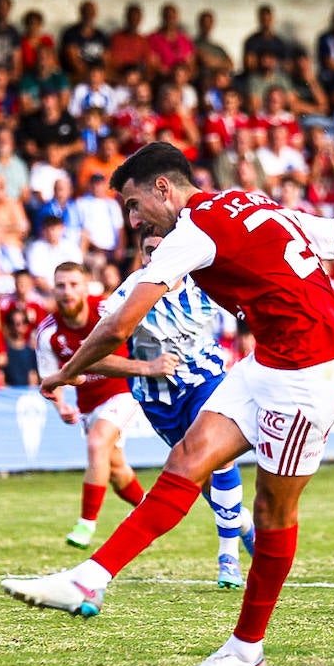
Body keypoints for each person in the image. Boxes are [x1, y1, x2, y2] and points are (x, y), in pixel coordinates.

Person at [2, 141, 334, 666]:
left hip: (310, 374)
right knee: (187, 460)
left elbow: (117, 328)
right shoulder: (246, 202)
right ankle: (89, 579)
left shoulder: (193, 231)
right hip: (271, 361)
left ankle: (245, 651)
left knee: (272, 514)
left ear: (164, 187)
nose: (134, 219)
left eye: (135, 205)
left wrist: (66, 372)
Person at [93, 233, 257, 588]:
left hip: (207, 381)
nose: (158, 257)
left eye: (164, 249)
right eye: (150, 251)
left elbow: (248, 295)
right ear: (141, 254)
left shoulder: (204, 283)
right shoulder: (128, 293)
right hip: (158, 399)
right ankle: (242, 523)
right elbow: (101, 345)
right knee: (196, 472)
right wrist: (88, 369)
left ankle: (227, 558)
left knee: (220, 459)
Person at [35, 262, 147, 550]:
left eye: (74, 284)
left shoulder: (107, 311)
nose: (67, 291)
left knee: (98, 444)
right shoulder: (48, 332)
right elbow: (51, 379)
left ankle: (86, 524)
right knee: (115, 469)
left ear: (86, 286)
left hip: (124, 391)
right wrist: (61, 405)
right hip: (89, 404)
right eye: (61, 285)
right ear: (54, 289)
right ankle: (149, 513)